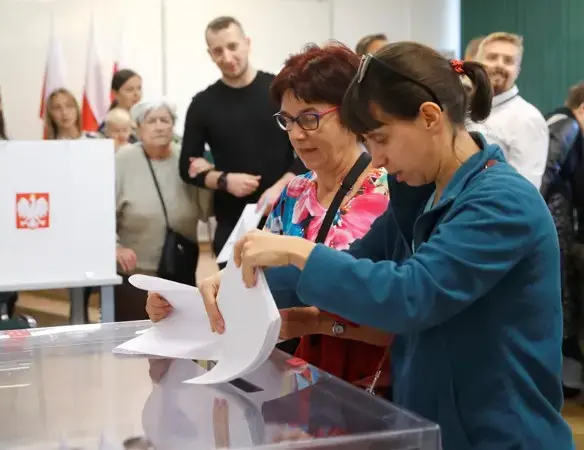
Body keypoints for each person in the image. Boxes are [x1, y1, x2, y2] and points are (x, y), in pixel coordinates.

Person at [193, 42, 575, 449]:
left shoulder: (500, 201)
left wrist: (295, 249)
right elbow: (357, 263)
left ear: (430, 117)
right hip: (437, 427)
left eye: (380, 138)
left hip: (501, 435)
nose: (375, 160)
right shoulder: (424, 194)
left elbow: (411, 294)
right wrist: (238, 283)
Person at [146, 43, 392, 391]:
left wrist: (310, 324)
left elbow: (404, 311)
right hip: (296, 384)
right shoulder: (293, 193)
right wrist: (185, 308)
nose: (295, 134)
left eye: (310, 118)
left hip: (370, 385)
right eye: (287, 121)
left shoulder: (389, 194)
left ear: (352, 113)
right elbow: (253, 283)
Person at [179, 16, 306, 264]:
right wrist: (225, 180)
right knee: (235, 298)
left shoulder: (280, 91)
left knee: (287, 296)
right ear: (210, 54)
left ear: (247, 43)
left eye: (233, 46)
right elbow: (187, 166)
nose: (227, 57)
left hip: (285, 213)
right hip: (233, 223)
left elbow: (308, 150)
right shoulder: (203, 103)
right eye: (218, 51)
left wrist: (280, 188)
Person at [115, 100, 212, 320]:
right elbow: (102, 212)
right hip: (135, 272)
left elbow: (206, 211)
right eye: (152, 121)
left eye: (165, 120)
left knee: (182, 335)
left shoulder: (186, 159)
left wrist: (207, 177)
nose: (159, 127)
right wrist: (115, 247)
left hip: (180, 265)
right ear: (138, 128)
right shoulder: (122, 160)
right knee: (136, 335)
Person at [542, 81, 584, 397]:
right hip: (554, 224)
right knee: (563, 300)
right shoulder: (566, 126)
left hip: (559, 223)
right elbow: (545, 172)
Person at [468, 32, 548, 190]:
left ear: (518, 70)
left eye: (508, 60)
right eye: (492, 57)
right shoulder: (462, 109)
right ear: (477, 63)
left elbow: (526, 187)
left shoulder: (528, 118)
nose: (499, 65)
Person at [98, 68, 142, 143]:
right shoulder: (110, 123)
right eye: (129, 90)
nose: (137, 94)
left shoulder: (143, 118)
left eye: (139, 88)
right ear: (115, 93)